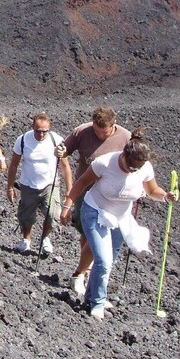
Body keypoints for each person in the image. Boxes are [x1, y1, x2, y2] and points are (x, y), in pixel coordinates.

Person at [59, 127, 178, 320]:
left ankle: (91, 296)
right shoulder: (104, 163)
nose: (133, 171)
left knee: (109, 261)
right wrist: (67, 207)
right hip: (95, 211)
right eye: (131, 167)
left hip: (121, 218)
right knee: (103, 261)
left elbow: (152, 190)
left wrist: (166, 197)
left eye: (137, 168)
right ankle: (97, 302)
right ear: (123, 155)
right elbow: (80, 184)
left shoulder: (144, 168)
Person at [56, 107, 131, 297]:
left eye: (103, 132)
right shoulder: (82, 131)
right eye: (96, 131)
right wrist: (60, 151)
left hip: (111, 194)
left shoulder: (125, 137)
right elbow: (65, 150)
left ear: (113, 126)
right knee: (86, 231)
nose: (99, 135)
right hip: (85, 189)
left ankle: (84, 271)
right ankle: (87, 269)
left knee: (97, 234)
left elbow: (135, 161)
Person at [7, 113, 73, 255]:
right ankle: (26, 239)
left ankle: (45, 238)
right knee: (26, 216)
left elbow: (65, 165)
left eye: (44, 131)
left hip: (50, 184)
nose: (41, 134)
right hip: (28, 184)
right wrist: (10, 186)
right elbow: (13, 164)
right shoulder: (23, 140)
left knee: (53, 214)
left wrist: (69, 189)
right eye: (38, 131)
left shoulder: (56, 140)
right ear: (33, 127)